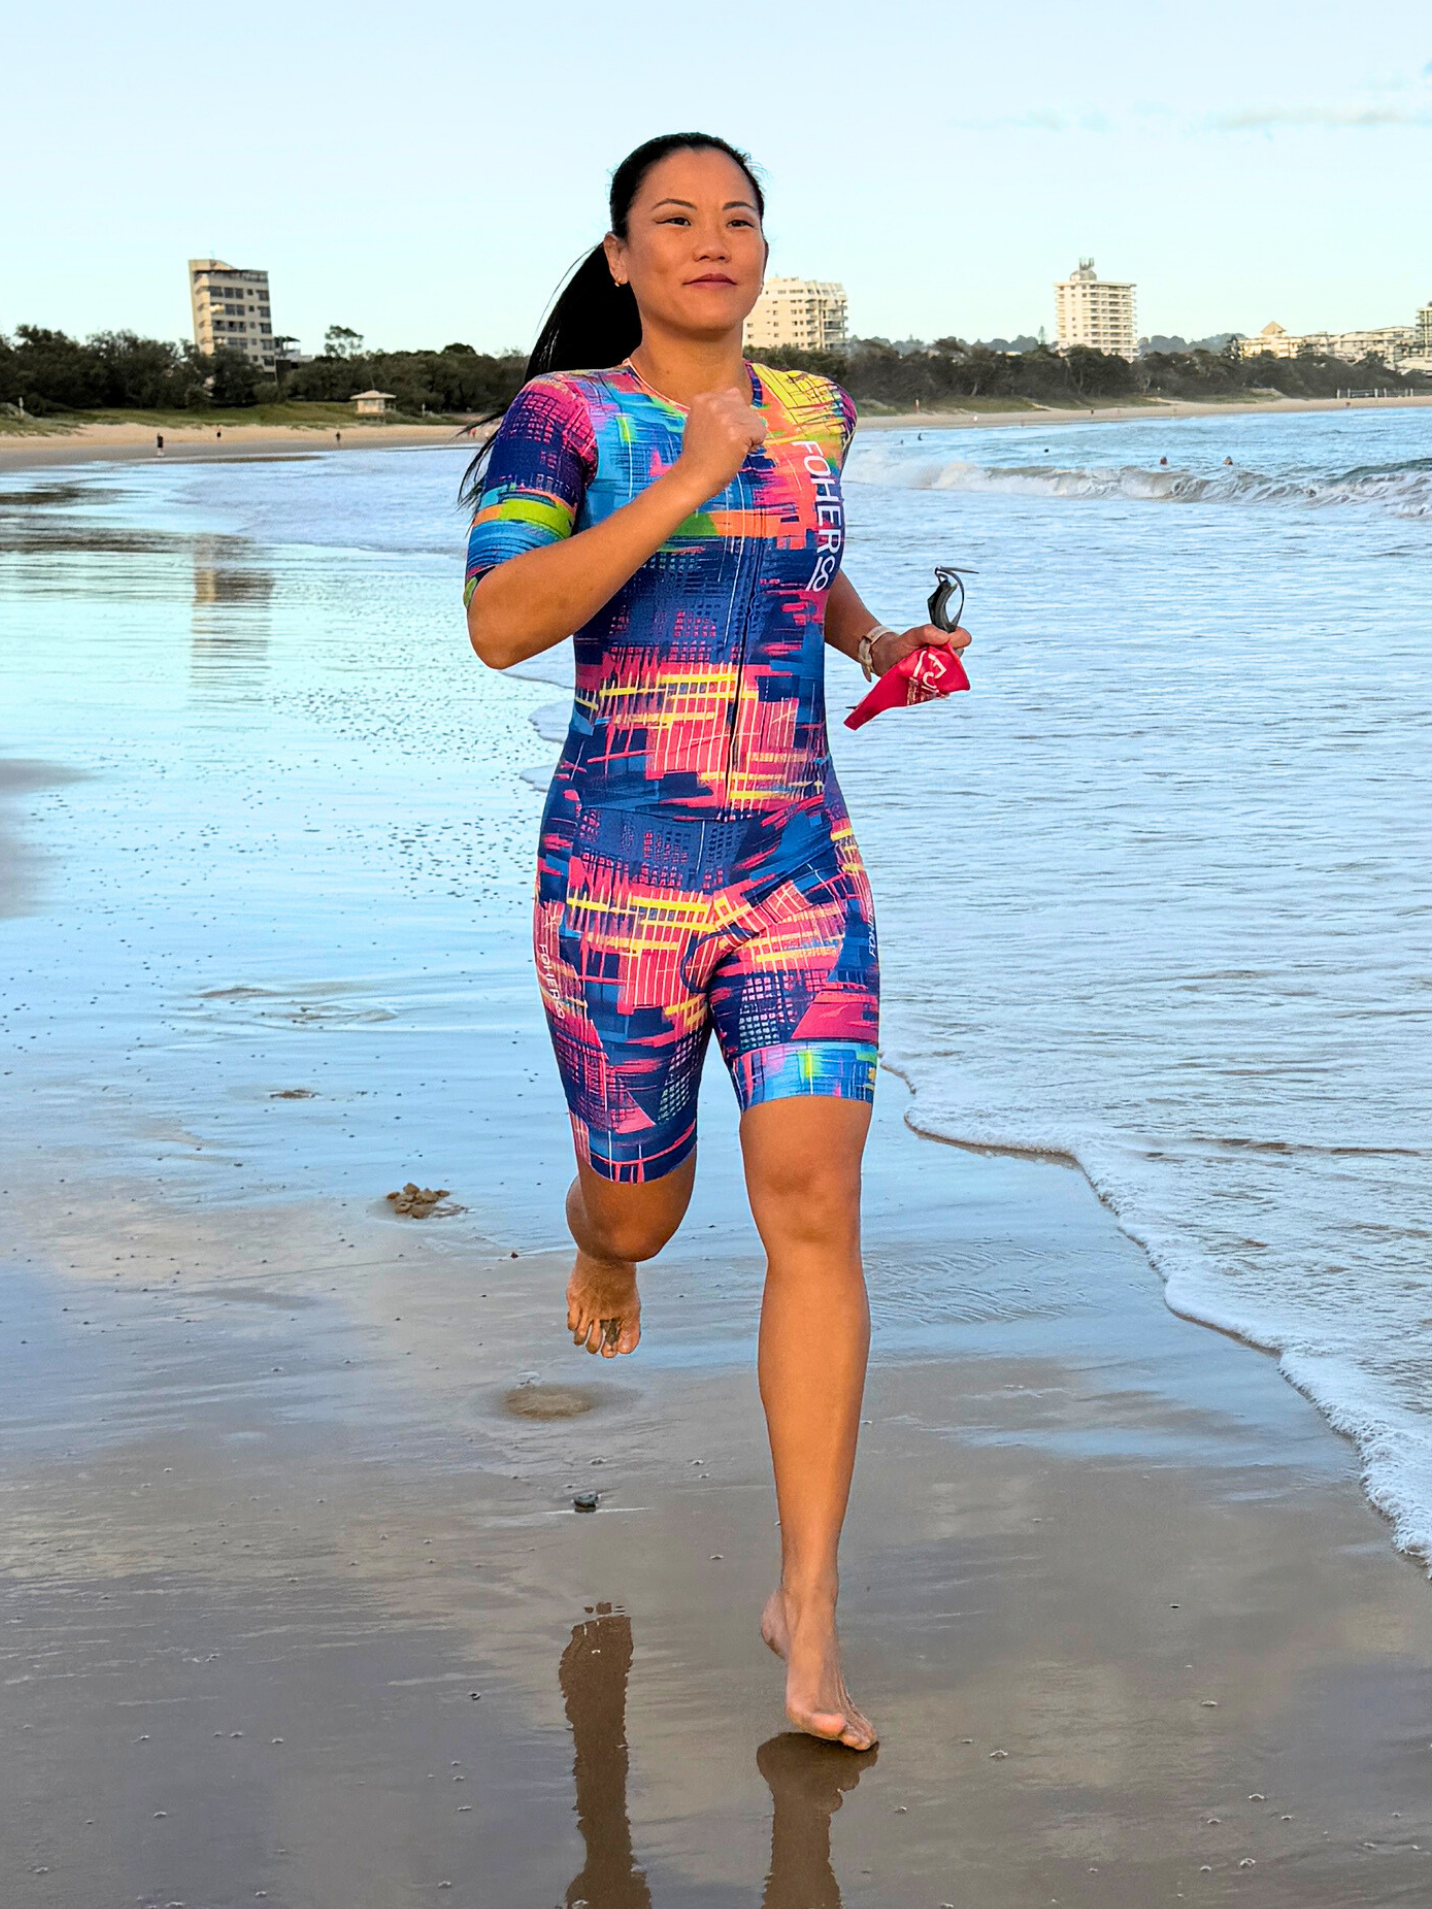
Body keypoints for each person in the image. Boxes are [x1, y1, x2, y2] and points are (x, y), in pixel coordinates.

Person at [463, 131, 969, 1751]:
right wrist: (685, 474)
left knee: (816, 1201)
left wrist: (877, 638)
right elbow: (502, 622)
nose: (712, 240)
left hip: (798, 863)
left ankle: (807, 1609)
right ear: (621, 255)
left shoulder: (817, 410)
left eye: (737, 217)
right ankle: (603, 1243)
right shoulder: (567, 419)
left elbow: (802, 557)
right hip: (621, 876)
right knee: (649, 1209)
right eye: (674, 219)